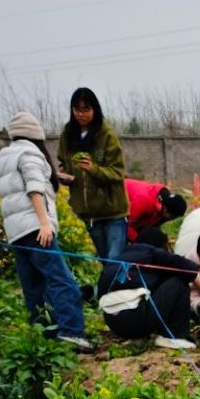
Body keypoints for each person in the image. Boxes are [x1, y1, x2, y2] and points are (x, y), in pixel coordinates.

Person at [0, 110, 90, 351]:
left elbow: (17, 183)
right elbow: (34, 187)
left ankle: (42, 333)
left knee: (33, 284)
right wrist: (44, 222)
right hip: (36, 229)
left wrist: (57, 177)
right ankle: (71, 332)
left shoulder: (4, 157)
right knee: (61, 280)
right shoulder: (30, 153)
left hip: (16, 232)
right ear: (36, 136)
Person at [56, 87, 129, 268]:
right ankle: (107, 295)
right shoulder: (68, 135)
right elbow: (63, 163)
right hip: (89, 215)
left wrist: (94, 169)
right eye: (77, 110)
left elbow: (118, 172)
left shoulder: (107, 136)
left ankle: (117, 294)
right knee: (105, 261)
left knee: (115, 261)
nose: (81, 114)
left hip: (113, 212)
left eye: (86, 109)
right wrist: (64, 175)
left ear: (95, 110)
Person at [96, 233, 200, 350]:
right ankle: (173, 336)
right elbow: (190, 271)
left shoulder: (117, 259)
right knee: (178, 283)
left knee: (146, 291)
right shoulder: (152, 253)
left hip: (113, 323)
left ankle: (138, 337)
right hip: (137, 319)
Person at [125, 181, 189, 245]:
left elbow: (151, 227)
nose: (171, 219)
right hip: (118, 202)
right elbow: (125, 225)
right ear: (165, 209)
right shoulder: (144, 201)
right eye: (172, 216)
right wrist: (138, 240)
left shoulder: (163, 207)